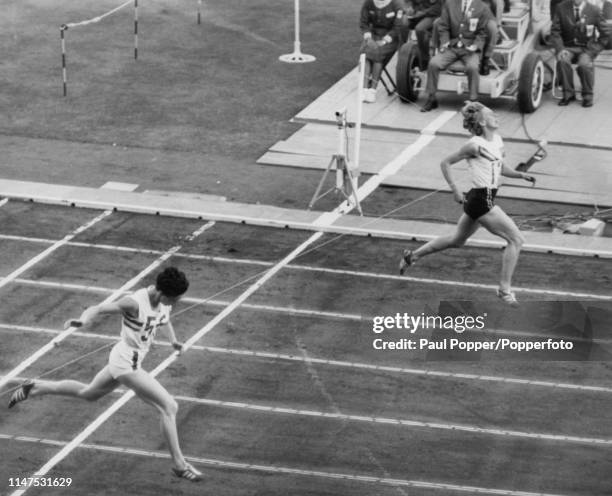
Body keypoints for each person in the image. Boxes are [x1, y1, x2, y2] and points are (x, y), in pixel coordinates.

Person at [8, 267, 202, 482]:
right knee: (169, 406)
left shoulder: (161, 302)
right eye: (174, 299)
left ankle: (34, 387)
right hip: (127, 365)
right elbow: (97, 308)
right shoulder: (134, 303)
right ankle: (179, 465)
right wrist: (83, 320)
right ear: (163, 293)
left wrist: (173, 341)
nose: (175, 303)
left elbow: (163, 320)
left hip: (122, 359)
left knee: (89, 393)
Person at [399, 102, 535, 306]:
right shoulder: (474, 145)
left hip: (479, 199)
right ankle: (504, 290)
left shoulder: (497, 140)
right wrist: (455, 190)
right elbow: (445, 163)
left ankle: (413, 256)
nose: (496, 116)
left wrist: (520, 175)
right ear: (482, 121)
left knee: (456, 240)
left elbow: (500, 167)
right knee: (516, 240)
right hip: (481, 201)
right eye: (491, 114)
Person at [421, 0, 491, 111]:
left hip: (470, 48)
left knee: (472, 67)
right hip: (452, 46)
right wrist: (445, 41)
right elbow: (443, 26)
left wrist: (476, 46)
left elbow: (482, 33)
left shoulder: (482, 7)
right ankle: (432, 98)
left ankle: (473, 102)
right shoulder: (450, 3)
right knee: (433, 63)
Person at [550, 0, 609, 107]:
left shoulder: (594, 10)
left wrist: (594, 50)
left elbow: (605, 35)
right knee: (562, 60)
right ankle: (568, 94)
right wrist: (560, 48)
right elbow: (555, 32)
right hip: (567, 47)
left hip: (587, 48)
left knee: (584, 64)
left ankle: (587, 96)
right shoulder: (561, 7)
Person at [359, 0, 405, 103]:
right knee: (365, 54)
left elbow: (397, 27)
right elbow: (363, 22)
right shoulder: (369, 3)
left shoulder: (396, 4)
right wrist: (368, 38)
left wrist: (384, 41)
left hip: (390, 38)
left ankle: (372, 91)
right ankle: (364, 89)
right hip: (373, 35)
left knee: (378, 55)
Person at [403, 0, 443, 70]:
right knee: (403, 24)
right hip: (417, 14)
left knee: (420, 29)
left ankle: (424, 59)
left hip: (432, 15)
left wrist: (423, 13)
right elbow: (409, 2)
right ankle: (403, 57)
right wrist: (409, 8)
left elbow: (438, 8)